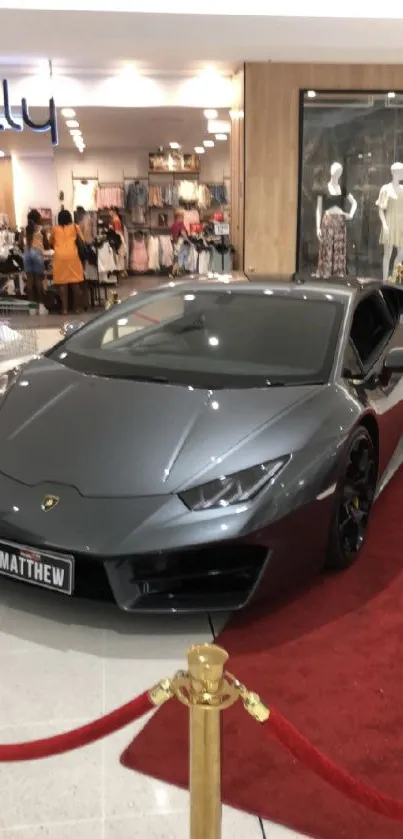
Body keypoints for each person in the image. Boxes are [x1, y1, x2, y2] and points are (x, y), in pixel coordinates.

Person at [50, 209, 84, 315]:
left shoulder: (54, 229)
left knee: (63, 285)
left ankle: (64, 309)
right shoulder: (75, 227)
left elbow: (51, 242)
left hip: (59, 256)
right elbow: (82, 240)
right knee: (75, 283)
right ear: (70, 218)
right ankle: (77, 308)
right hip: (72, 256)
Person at [22, 209, 48, 304]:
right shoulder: (41, 229)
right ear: (38, 218)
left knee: (29, 281)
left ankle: (31, 307)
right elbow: (46, 244)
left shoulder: (24, 230)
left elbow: (21, 243)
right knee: (38, 281)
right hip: (37, 254)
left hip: (27, 253)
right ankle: (41, 305)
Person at [170, 209, 187, 277]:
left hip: (175, 242)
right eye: (182, 217)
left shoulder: (174, 225)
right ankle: (175, 271)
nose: (183, 218)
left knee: (176, 256)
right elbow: (183, 233)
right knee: (179, 257)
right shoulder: (179, 224)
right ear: (179, 217)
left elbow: (172, 234)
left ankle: (175, 271)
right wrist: (188, 239)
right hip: (179, 242)